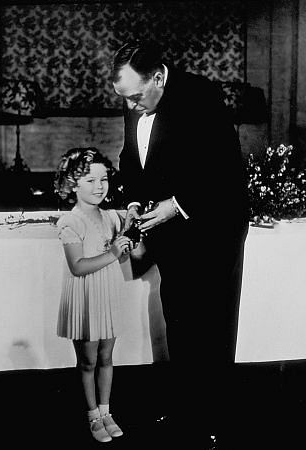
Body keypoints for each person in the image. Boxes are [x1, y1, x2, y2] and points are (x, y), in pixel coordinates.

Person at [111, 40, 249, 446]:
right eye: (125, 98)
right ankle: (187, 410)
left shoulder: (200, 95)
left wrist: (176, 204)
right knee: (180, 321)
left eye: (136, 96)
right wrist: (135, 200)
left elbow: (222, 168)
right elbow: (131, 158)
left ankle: (213, 421)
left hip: (211, 229)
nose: (132, 105)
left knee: (209, 325)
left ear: (158, 77)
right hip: (170, 231)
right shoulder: (137, 98)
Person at [54, 147, 134, 443]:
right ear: (72, 184)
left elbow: (122, 259)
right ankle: (92, 415)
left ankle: (106, 410)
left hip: (108, 294)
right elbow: (77, 267)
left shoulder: (111, 216)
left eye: (104, 179)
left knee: (106, 357)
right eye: (90, 180)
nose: (99, 186)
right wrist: (113, 252)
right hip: (86, 298)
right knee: (87, 361)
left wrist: (127, 245)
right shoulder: (70, 221)